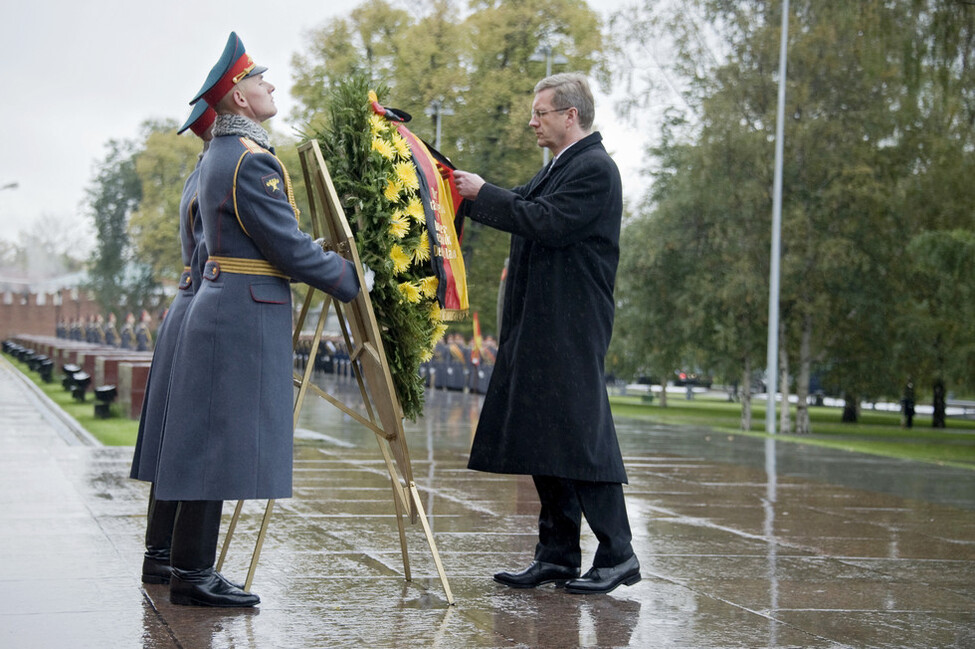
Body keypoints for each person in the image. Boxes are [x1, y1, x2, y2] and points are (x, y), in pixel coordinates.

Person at [153, 32, 360, 608]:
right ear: (239, 100)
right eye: (258, 79)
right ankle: (193, 574)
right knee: (216, 446)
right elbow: (286, 248)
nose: (269, 85)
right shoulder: (248, 161)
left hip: (227, 308)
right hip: (238, 313)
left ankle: (190, 568)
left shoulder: (229, 156)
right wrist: (350, 279)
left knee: (209, 444)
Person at [453, 72, 640, 595]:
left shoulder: (595, 169)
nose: (532, 121)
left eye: (541, 112)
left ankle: (618, 554)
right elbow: (523, 205)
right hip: (544, 322)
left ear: (570, 116)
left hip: (571, 324)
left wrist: (483, 193)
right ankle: (557, 554)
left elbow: (545, 221)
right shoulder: (561, 165)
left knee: (582, 436)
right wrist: (465, 189)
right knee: (547, 435)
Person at [129, 99, 215, 587]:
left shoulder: (200, 172)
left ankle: (158, 553)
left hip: (188, 301)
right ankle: (167, 557)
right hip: (203, 302)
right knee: (188, 440)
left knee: (172, 439)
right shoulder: (219, 172)